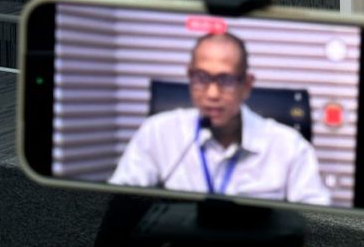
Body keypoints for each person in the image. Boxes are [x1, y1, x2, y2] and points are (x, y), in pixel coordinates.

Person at [109, 32, 330, 206]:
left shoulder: (289, 147)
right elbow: (117, 203)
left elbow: (318, 224)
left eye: (225, 80)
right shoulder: (158, 132)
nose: (212, 94)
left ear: (246, 85)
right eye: (202, 78)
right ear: (189, 77)